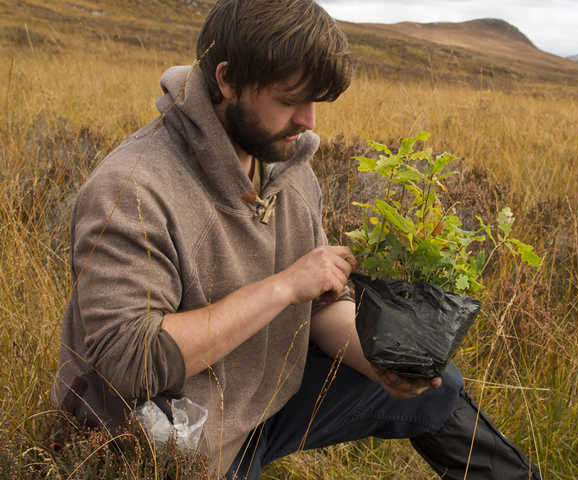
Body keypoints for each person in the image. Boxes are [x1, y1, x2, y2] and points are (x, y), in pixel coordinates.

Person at [52, 0, 541, 478]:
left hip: (263, 398)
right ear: (227, 80)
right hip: (174, 444)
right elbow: (132, 363)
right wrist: (285, 286)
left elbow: (323, 304)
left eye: (315, 102)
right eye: (289, 100)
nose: (308, 121)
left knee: (437, 387)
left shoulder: (288, 166)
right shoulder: (133, 188)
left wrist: (379, 367)